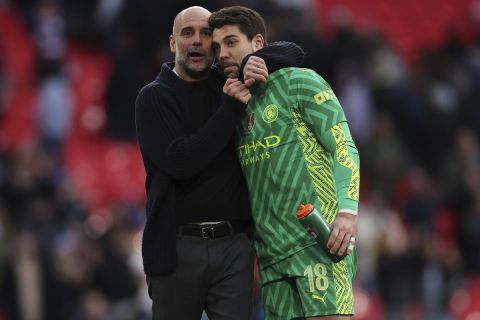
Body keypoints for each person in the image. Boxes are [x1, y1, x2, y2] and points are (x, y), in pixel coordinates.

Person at [134, 6, 304, 320]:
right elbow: (181, 161)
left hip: (233, 248)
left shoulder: (226, 80)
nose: (198, 41)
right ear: (173, 44)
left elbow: (293, 53)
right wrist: (229, 109)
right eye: (187, 33)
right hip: (176, 249)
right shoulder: (154, 97)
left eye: (207, 35)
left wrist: (256, 60)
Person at [209, 6, 360, 320]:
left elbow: (343, 145)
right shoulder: (232, 108)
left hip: (319, 241)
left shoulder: (299, 82)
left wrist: (347, 211)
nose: (222, 53)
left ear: (258, 43)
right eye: (217, 47)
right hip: (271, 259)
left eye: (231, 42)